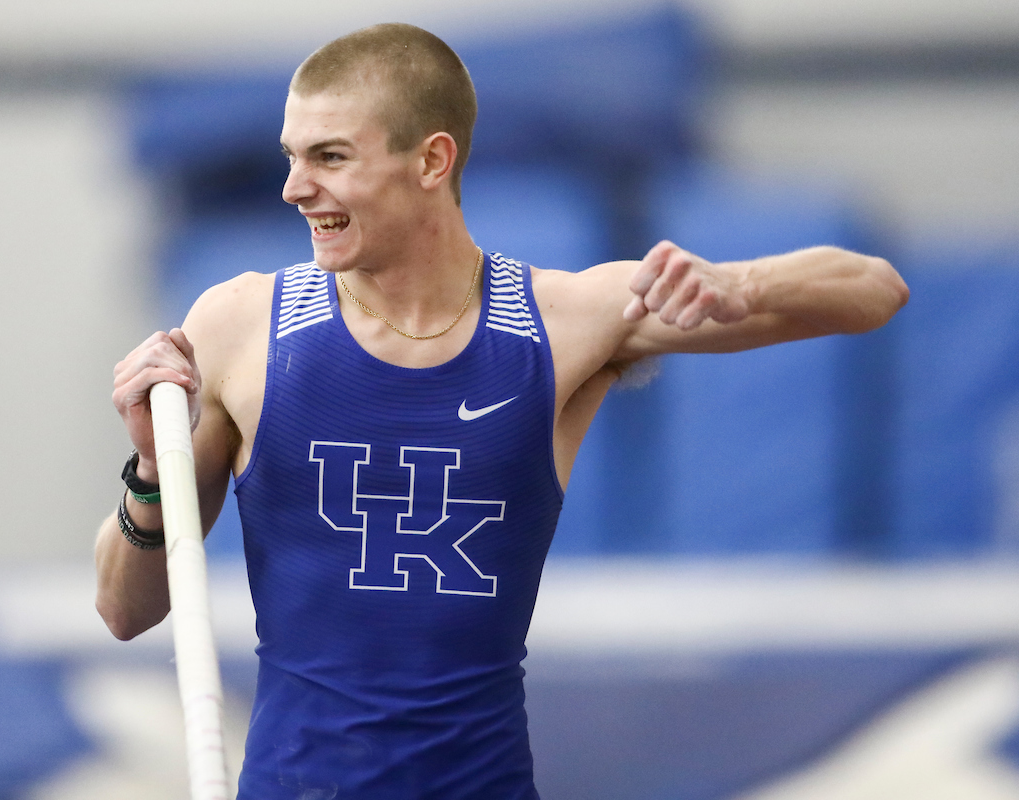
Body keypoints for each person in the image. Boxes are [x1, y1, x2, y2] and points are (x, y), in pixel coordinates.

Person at [96, 22, 909, 799]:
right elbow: (125, 610)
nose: (294, 188)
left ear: (431, 161)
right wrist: (149, 470)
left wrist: (742, 284)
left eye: (330, 157)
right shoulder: (240, 328)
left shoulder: (564, 323)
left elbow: (874, 290)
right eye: (291, 156)